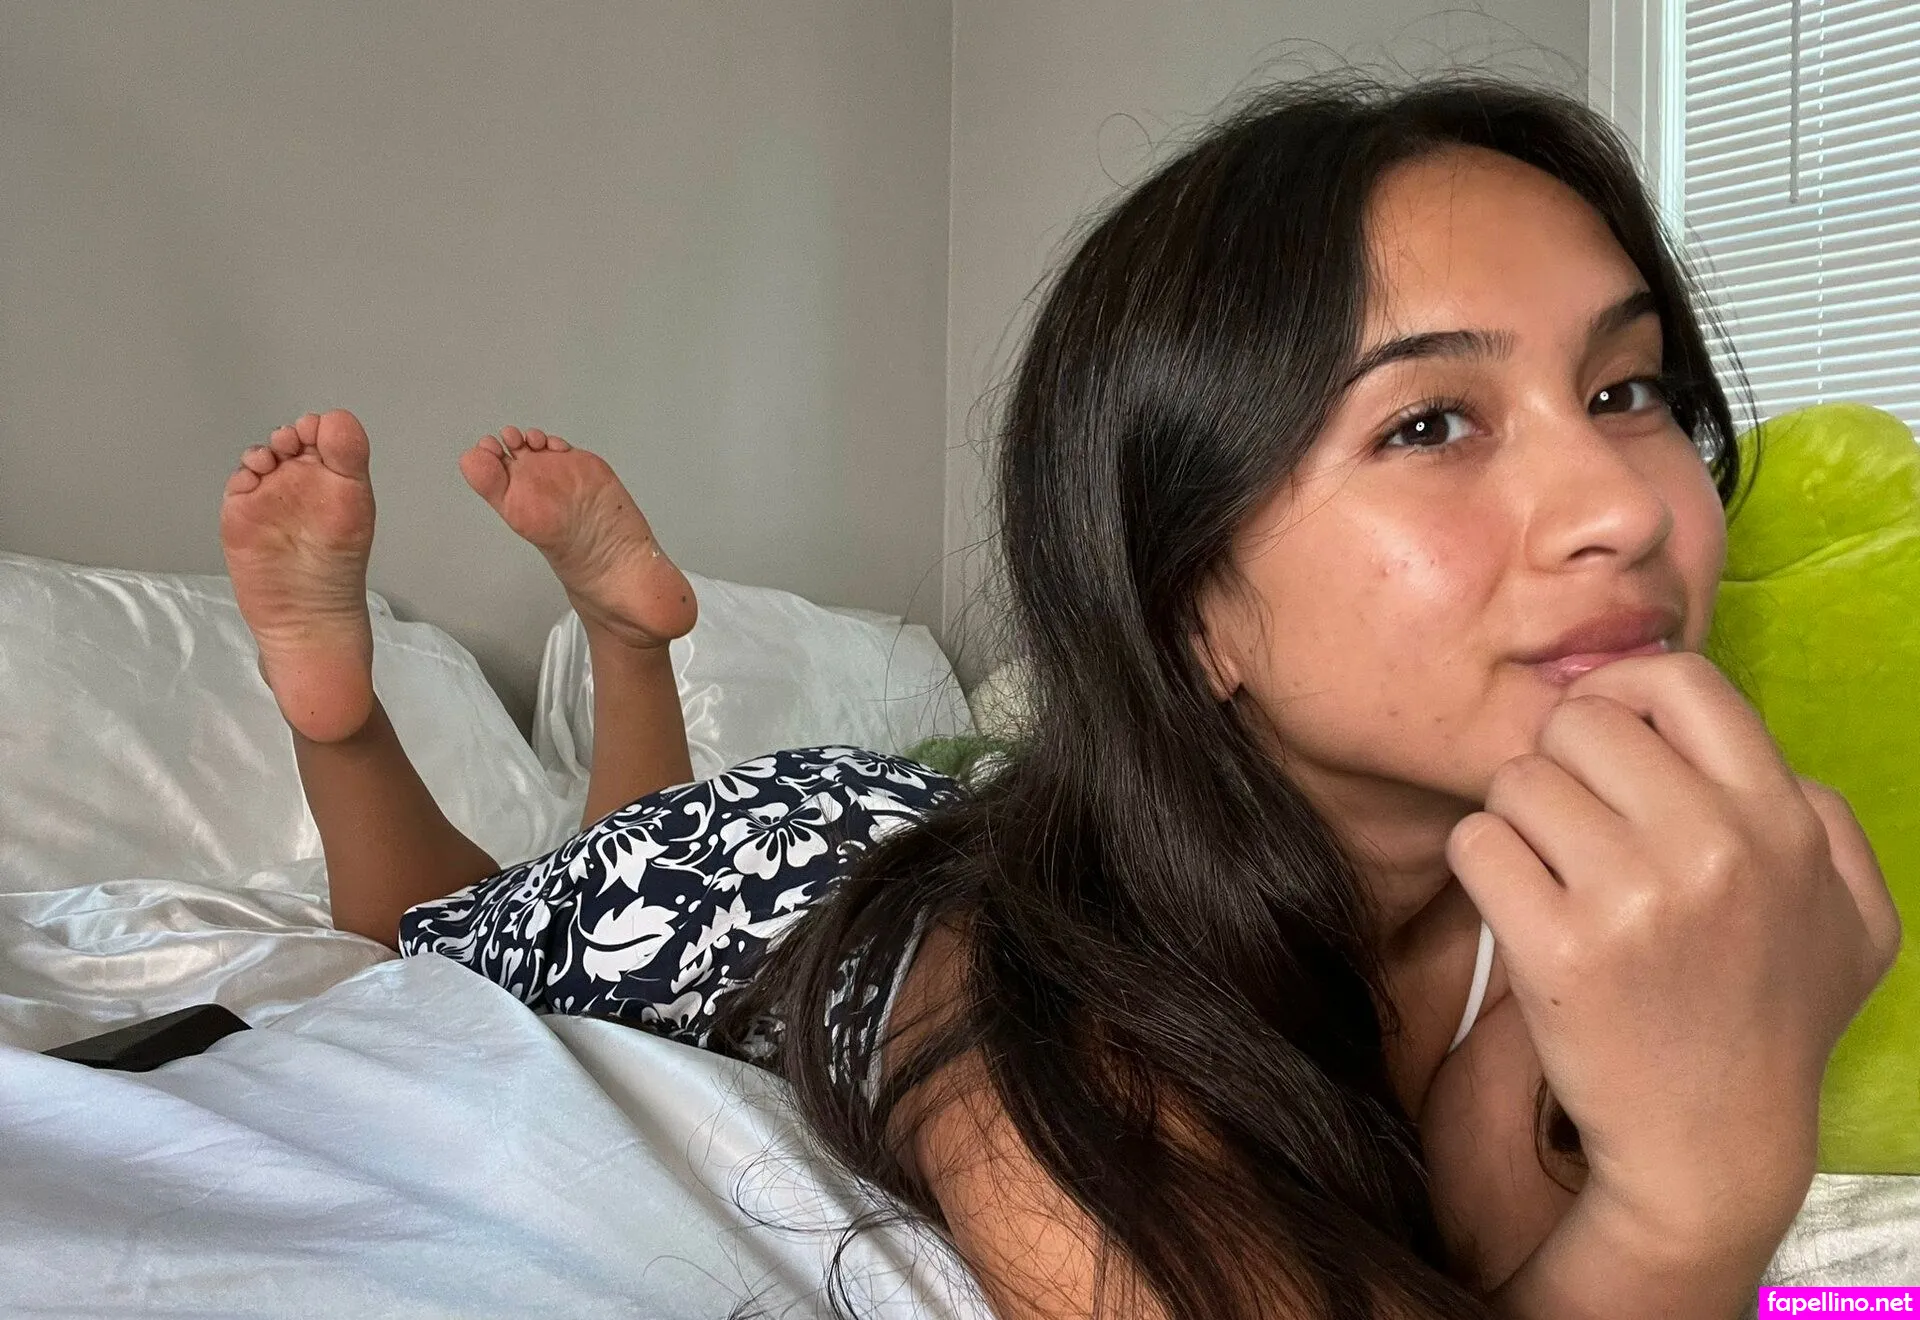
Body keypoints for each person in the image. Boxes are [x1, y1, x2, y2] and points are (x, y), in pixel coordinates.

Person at [216, 72, 1900, 1320]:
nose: (1626, 507)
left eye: (1627, 390)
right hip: (795, 882)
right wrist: (1695, 1200)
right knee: (437, 924)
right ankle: (350, 709)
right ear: (1185, 608)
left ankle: (628, 643)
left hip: (917, 802)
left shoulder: (1568, 901)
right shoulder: (1037, 1016)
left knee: (630, 829)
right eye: (1428, 423)